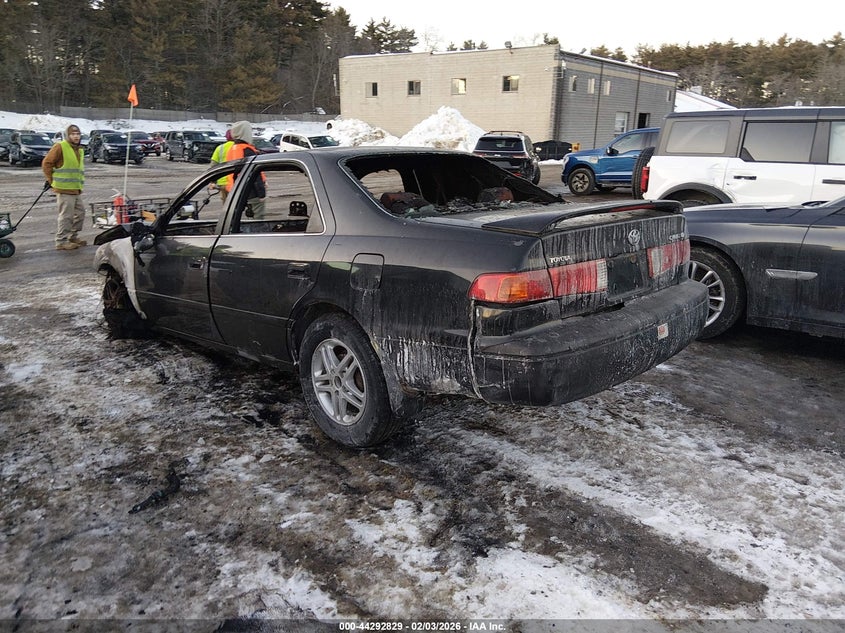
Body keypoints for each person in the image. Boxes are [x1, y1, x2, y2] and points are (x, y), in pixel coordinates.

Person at [42, 124, 86, 251]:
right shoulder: (60, 147)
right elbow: (47, 163)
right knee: (66, 216)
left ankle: (73, 236)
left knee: (80, 214)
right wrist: (51, 180)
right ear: (68, 136)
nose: (76, 136)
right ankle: (61, 241)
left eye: (77, 134)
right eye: (73, 134)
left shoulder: (79, 150)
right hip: (64, 189)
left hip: (75, 189)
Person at [224, 120, 266, 218]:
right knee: (257, 219)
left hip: (235, 190)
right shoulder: (247, 150)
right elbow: (254, 173)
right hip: (251, 192)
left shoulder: (232, 149)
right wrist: (261, 193)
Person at [209, 129, 235, 202]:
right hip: (236, 182)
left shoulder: (220, 148)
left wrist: (212, 181)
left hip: (222, 182)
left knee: (226, 205)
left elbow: (213, 166)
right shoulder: (239, 147)